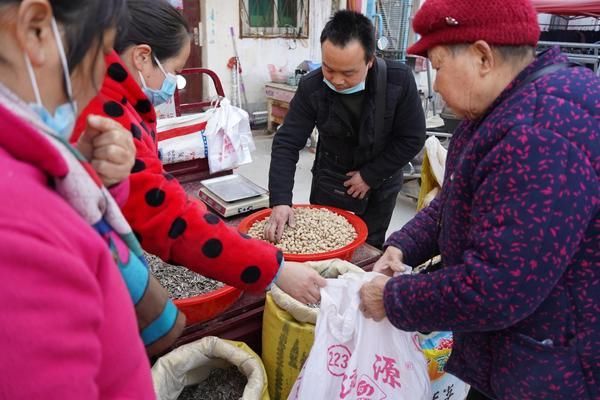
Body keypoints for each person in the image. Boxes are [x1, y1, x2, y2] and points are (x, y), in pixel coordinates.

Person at [359, 0, 599, 399]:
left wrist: (393, 299)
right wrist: (404, 244)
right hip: (517, 353)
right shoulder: (499, 109)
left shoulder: (538, 133)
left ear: (482, 56)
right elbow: (457, 199)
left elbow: (497, 286)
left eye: (438, 65)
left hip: (553, 368)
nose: (434, 84)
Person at [73, 0, 326, 306]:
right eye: (175, 73)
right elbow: (167, 217)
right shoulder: (106, 114)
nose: (175, 86)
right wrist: (276, 269)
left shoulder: (98, 88)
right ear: (142, 56)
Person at [0, 0, 158, 397]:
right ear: (36, 30)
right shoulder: (16, 243)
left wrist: (93, 172)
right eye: (99, 53)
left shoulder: (28, 151)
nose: (100, 78)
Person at [265, 10, 426, 249]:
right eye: (329, 69)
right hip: (330, 178)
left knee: (367, 250)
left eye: (348, 73)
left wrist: (370, 175)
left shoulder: (398, 81)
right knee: (323, 245)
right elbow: (287, 142)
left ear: (370, 61)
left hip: (381, 180)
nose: (337, 80)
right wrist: (280, 201)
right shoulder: (312, 87)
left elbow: (412, 138)